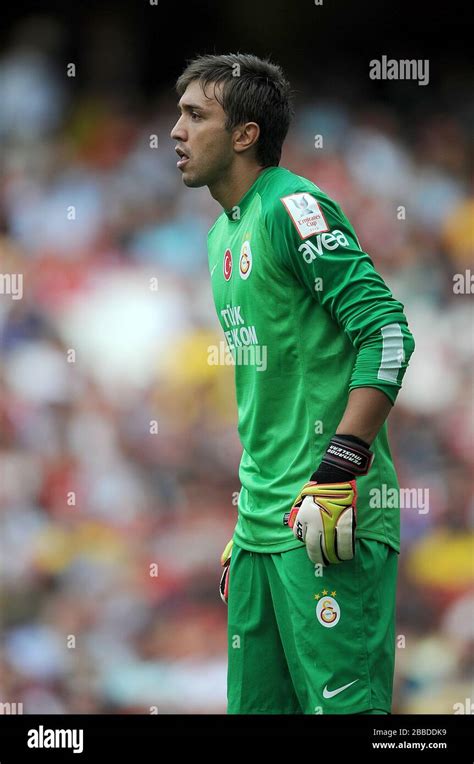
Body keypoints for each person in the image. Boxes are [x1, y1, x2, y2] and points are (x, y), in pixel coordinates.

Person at [170, 53, 415, 715]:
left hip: (327, 515)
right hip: (261, 526)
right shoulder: (223, 234)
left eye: (196, 115)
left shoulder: (294, 208)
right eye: (178, 113)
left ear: (246, 134)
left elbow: (388, 334)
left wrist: (339, 467)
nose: (175, 130)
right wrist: (250, 522)